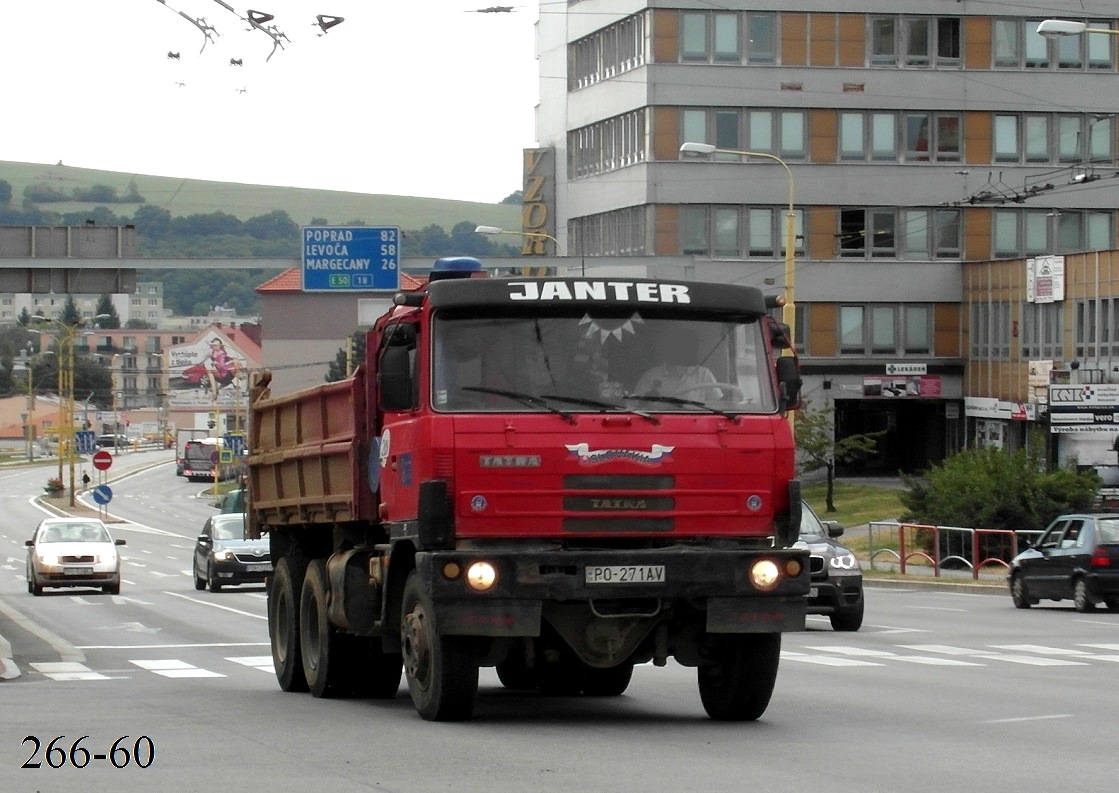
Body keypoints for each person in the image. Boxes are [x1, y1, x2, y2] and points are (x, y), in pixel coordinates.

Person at [634, 328, 720, 399]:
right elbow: (636, 406)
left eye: (689, 347)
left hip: (697, 420)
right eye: (681, 346)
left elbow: (718, 405)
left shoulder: (703, 374)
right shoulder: (650, 376)